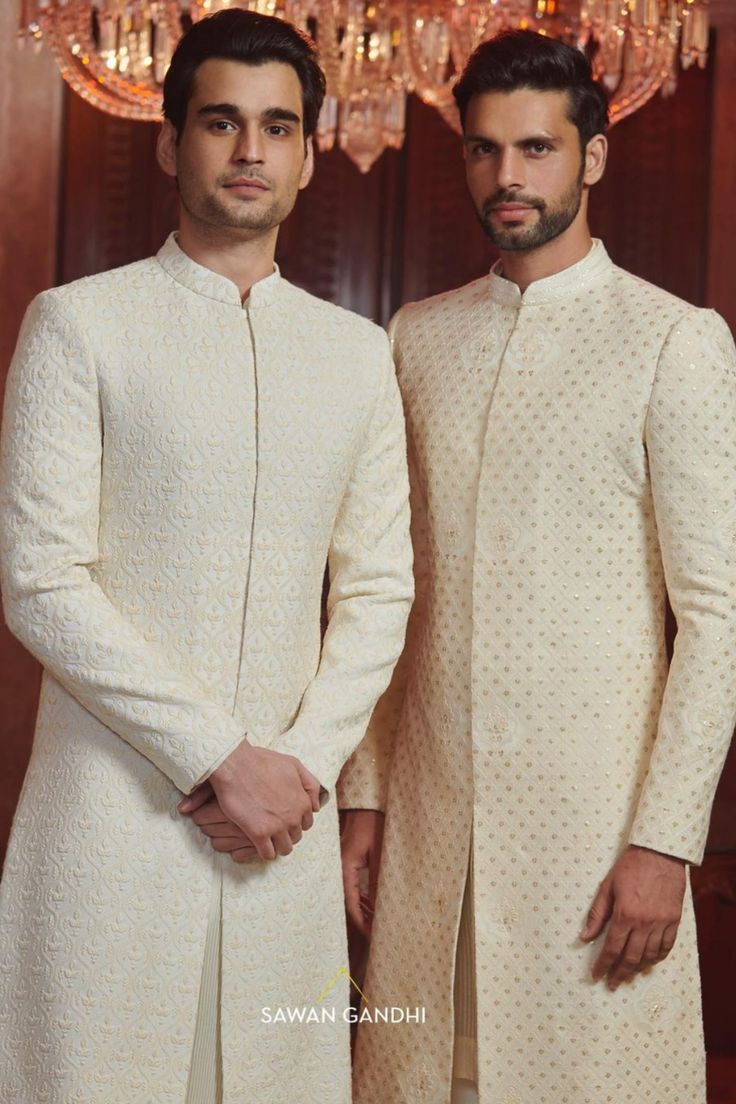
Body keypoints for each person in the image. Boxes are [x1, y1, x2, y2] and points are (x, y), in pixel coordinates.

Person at [0, 10, 413, 1103]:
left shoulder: (356, 355)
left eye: (277, 128)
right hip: (112, 820)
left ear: (310, 155)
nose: (248, 152)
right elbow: (41, 580)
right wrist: (221, 758)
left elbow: (378, 591)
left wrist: (301, 768)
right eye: (221, 122)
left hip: (284, 836)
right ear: (169, 140)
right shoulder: (79, 325)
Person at [341, 29, 736, 1104]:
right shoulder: (412, 339)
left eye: (535, 149)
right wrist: (364, 801)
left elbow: (717, 619)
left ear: (591, 158)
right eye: (482, 150)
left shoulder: (672, 341)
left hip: (595, 834)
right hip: (428, 825)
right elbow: (384, 590)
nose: (506, 177)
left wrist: (664, 843)